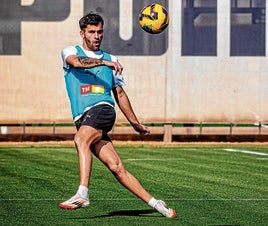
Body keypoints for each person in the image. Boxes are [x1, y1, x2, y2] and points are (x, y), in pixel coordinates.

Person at [59, 12, 176, 218]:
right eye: (92, 32)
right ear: (82, 33)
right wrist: (104, 64)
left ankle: (82, 193)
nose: (97, 36)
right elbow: (77, 62)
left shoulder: (112, 59)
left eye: (100, 32)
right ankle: (158, 205)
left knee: (80, 140)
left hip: (102, 109)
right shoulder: (71, 51)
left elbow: (120, 94)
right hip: (83, 118)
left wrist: (135, 123)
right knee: (116, 167)